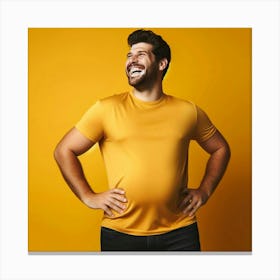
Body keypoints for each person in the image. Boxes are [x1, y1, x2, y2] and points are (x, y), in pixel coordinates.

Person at [54, 29, 231, 251]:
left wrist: (204, 191)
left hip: (180, 231)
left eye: (140, 54)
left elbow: (220, 148)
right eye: (129, 55)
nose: (131, 60)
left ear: (161, 64)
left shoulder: (188, 112)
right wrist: (88, 196)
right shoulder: (106, 109)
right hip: (120, 232)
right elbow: (64, 150)